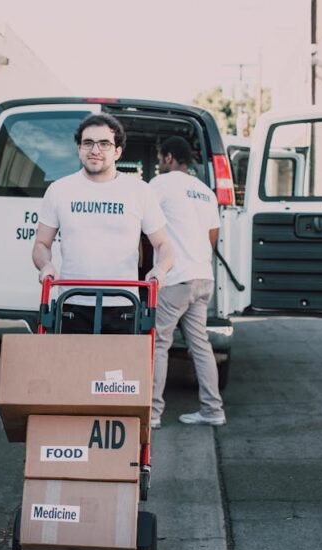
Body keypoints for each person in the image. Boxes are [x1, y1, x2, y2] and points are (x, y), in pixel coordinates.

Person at [32, 113, 173, 333]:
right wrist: (46, 266)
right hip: (71, 304)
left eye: (104, 144)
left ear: (117, 152)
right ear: (79, 149)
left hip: (123, 304)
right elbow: (41, 244)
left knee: (116, 369)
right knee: (72, 368)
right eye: (88, 143)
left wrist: (161, 269)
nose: (95, 150)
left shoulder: (139, 191)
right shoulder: (59, 190)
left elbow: (164, 245)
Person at [148, 136, 226, 427]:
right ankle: (212, 410)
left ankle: (152, 414)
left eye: (159, 158)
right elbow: (212, 235)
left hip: (176, 277)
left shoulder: (161, 185)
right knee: (201, 345)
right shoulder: (205, 191)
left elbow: (144, 224)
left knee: (158, 344)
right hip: (202, 277)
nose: (158, 164)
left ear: (168, 157)